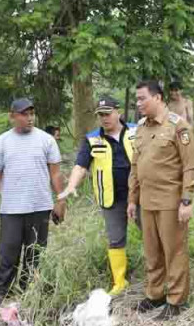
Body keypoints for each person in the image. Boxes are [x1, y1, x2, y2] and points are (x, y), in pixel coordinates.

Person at [0, 98, 64, 309]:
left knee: (35, 252)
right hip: (11, 208)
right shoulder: (1, 142)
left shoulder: (47, 140)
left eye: (31, 114)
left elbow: (55, 174)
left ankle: (28, 291)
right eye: (24, 114)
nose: (30, 118)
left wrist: (60, 201)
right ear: (13, 116)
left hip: (40, 207)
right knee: (8, 252)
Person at [128, 80, 194, 320]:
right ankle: (155, 294)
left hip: (170, 202)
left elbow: (190, 166)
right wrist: (132, 199)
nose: (138, 104)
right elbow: (136, 166)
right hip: (146, 202)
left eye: (142, 99)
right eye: (136, 100)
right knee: (152, 252)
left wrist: (186, 201)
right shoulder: (140, 128)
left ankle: (176, 300)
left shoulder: (178, 126)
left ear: (157, 98)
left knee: (174, 251)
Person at [58, 95, 137, 296]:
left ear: (118, 112)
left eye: (107, 113)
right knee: (115, 239)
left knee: (152, 235)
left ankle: (159, 275)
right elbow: (80, 166)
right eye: (100, 115)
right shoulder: (92, 138)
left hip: (140, 195)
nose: (104, 118)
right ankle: (120, 282)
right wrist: (71, 186)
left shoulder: (137, 130)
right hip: (111, 198)